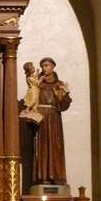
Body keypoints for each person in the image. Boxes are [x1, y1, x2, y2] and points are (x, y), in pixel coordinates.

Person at [32, 57, 71, 185]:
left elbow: (64, 106)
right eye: (42, 66)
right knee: (42, 147)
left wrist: (64, 95)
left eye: (47, 65)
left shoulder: (59, 84)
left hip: (54, 119)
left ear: (53, 66)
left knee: (55, 147)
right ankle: (43, 177)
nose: (44, 68)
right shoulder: (38, 83)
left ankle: (56, 176)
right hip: (41, 119)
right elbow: (32, 98)